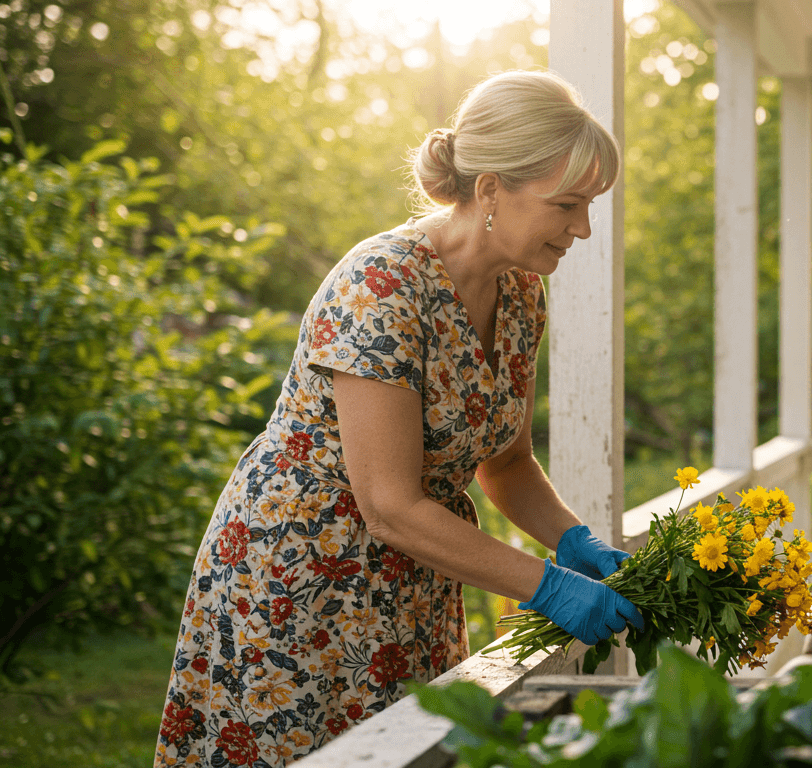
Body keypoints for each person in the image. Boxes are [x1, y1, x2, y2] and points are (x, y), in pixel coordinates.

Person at [154, 71, 643, 767]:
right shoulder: (380, 285)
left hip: (411, 585)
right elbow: (386, 504)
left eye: (589, 204)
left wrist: (574, 540)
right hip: (300, 584)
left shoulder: (521, 292)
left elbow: (505, 464)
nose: (584, 228)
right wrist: (549, 587)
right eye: (567, 204)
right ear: (490, 190)